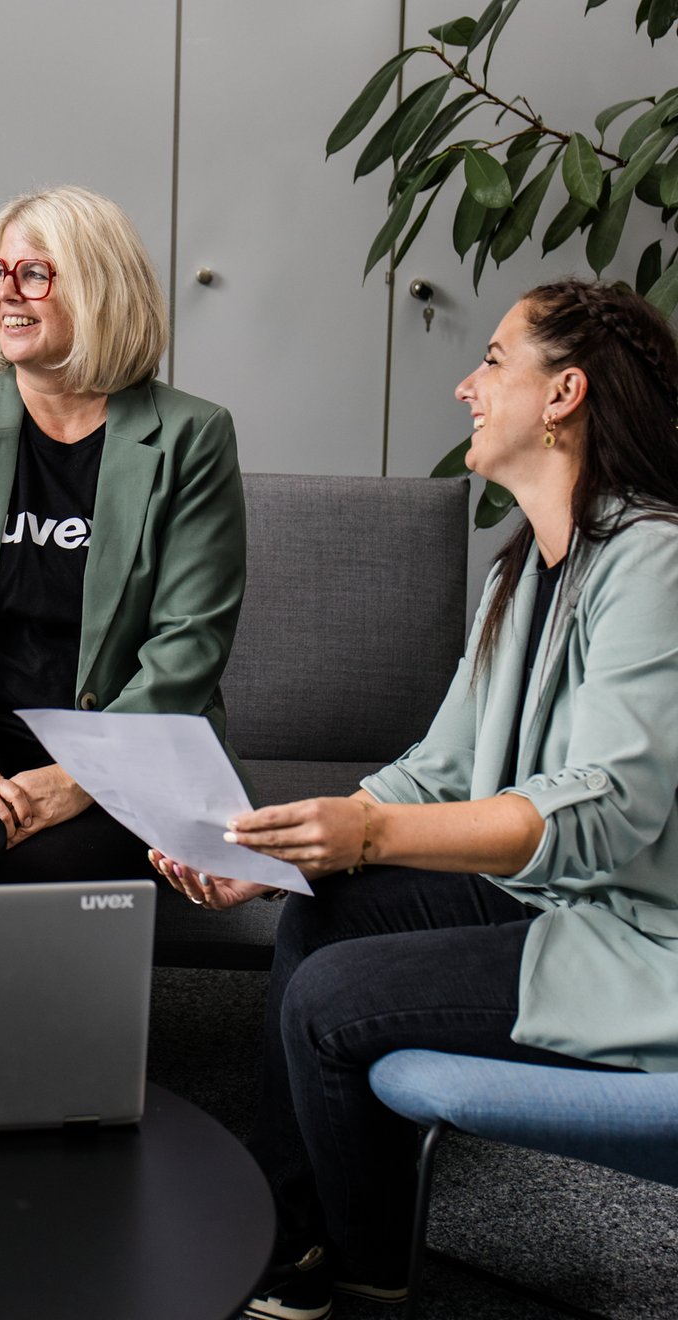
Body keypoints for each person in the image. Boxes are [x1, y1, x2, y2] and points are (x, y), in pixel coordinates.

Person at [151, 277, 678, 1319]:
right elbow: (437, 769)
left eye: (491, 360)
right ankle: (307, 1242)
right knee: (322, 909)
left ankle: (362, 1277)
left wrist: (375, 833)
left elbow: (611, 804)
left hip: (634, 940)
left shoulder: (654, 561)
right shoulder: (521, 573)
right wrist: (280, 851)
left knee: (329, 999)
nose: (465, 386)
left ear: (565, 392)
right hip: (545, 902)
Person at [0, 185, 245, 881]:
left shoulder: (189, 436)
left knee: (33, 881)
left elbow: (189, 641)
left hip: (120, 753)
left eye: (33, 273)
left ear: (99, 290)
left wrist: (82, 776)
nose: (5, 295)